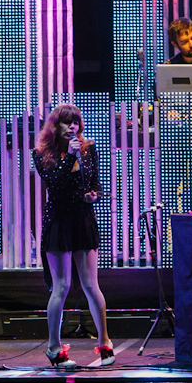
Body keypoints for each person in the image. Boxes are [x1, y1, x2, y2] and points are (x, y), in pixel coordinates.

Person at [32, 104, 113, 367]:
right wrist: (69, 156)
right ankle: (54, 349)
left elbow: (96, 183)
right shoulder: (42, 153)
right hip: (59, 221)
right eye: (67, 123)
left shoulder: (89, 150)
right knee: (62, 286)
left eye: (76, 123)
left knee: (91, 285)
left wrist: (94, 195)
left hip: (83, 219)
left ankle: (105, 343)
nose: (73, 128)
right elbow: (54, 183)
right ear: (56, 127)